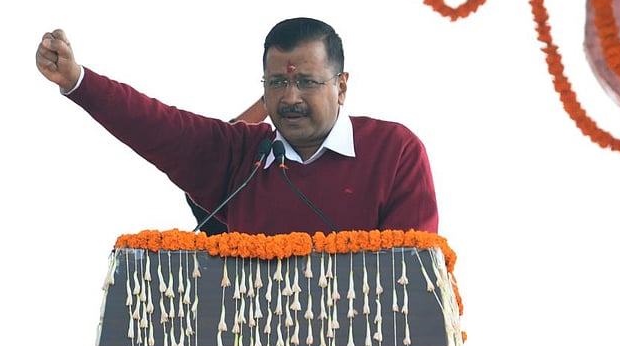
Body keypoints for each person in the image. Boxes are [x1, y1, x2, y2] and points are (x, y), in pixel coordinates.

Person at [35, 17, 438, 235]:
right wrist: (78, 82)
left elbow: (413, 278)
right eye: (277, 83)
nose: (291, 98)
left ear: (342, 86)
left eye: (307, 82)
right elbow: (158, 126)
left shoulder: (395, 151)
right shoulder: (244, 155)